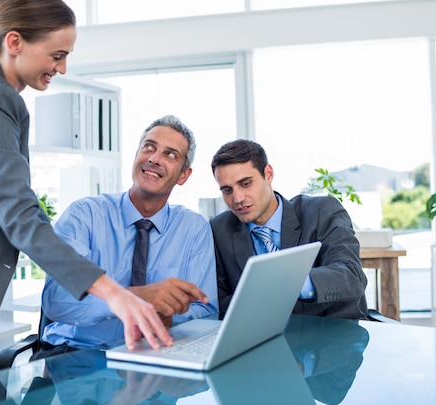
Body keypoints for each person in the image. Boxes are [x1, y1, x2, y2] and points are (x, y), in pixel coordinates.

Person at [0, 0, 170, 392]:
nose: (62, 68)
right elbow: (18, 214)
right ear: (14, 42)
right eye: (57, 55)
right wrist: (114, 293)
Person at [40, 115, 218, 351]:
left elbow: (206, 310)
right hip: (81, 353)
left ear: (183, 175)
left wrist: (169, 317)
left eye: (170, 154)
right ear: (136, 156)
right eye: (149, 147)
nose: (154, 159)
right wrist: (136, 298)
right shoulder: (84, 215)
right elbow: (56, 302)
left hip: (157, 356)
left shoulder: (194, 228)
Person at [210, 139, 368, 319]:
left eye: (246, 184)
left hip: (333, 335)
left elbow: (352, 277)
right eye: (227, 190)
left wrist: (289, 284)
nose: (237, 198)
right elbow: (220, 302)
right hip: (263, 339)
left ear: (268, 174)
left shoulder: (321, 212)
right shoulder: (220, 229)